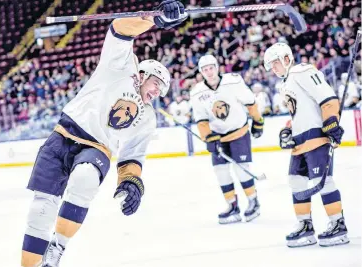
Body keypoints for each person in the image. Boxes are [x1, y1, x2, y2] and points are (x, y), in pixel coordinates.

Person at [20, 1, 188, 266]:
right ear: (143, 74)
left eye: (161, 91)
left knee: (85, 178)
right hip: (64, 133)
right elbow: (120, 29)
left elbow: (132, 157)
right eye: (156, 84)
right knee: (41, 208)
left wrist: (131, 183)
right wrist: (155, 19)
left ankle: (57, 250)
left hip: (97, 147)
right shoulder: (120, 65)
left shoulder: (148, 119)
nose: (157, 92)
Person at [264, 42, 349, 248]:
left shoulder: (302, 71)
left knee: (324, 181)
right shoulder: (286, 83)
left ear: (286, 58)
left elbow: (327, 96)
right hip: (300, 142)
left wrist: (330, 120)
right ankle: (305, 225)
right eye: (271, 66)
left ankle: (338, 224)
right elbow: (300, 112)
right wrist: (289, 129)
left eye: (275, 63)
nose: (273, 69)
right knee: (295, 181)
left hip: (316, 137)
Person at [189, 54, 264, 224]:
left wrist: (258, 121)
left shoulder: (233, 82)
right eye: (205, 70)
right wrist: (208, 137)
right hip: (218, 137)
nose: (209, 72)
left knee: (241, 168)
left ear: (217, 67)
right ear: (201, 72)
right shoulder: (197, 93)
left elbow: (250, 101)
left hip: (238, 131)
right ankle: (232, 206)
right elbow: (201, 119)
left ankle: (253, 201)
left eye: (211, 68)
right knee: (221, 171)